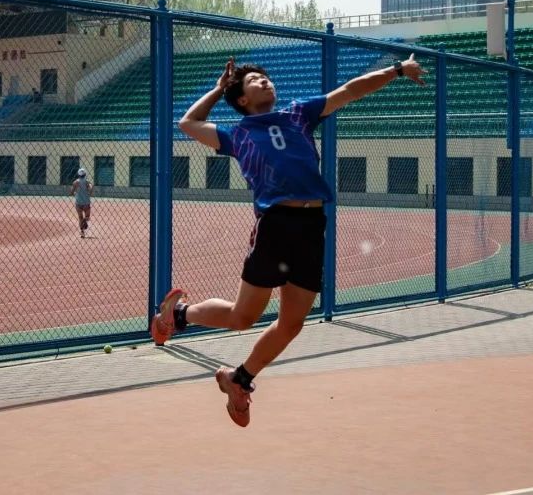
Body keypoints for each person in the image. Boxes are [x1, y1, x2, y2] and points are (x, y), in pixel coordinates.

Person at [152, 53, 426, 426]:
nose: (264, 81)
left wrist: (396, 71)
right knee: (242, 317)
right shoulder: (236, 135)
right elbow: (188, 122)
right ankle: (179, 314)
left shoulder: (299, 114)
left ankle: (239, 379)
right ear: (242, 99)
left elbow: (350, 90)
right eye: (254, 81)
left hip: (312, 224)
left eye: (265, 78)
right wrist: (218, 90)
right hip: (276, 224)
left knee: (293, 323)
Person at [70, 167, 94, 238]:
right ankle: (84, 221)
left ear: (78, 174)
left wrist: (75, 193)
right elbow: (91, 189)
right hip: (86, 202)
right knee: (87, 217)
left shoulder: (75, 182)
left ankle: (82, 231)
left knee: (80, 217)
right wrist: (89, 193)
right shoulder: (87, 182)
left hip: (78, 202)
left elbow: (71, 192)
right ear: (85, 174)